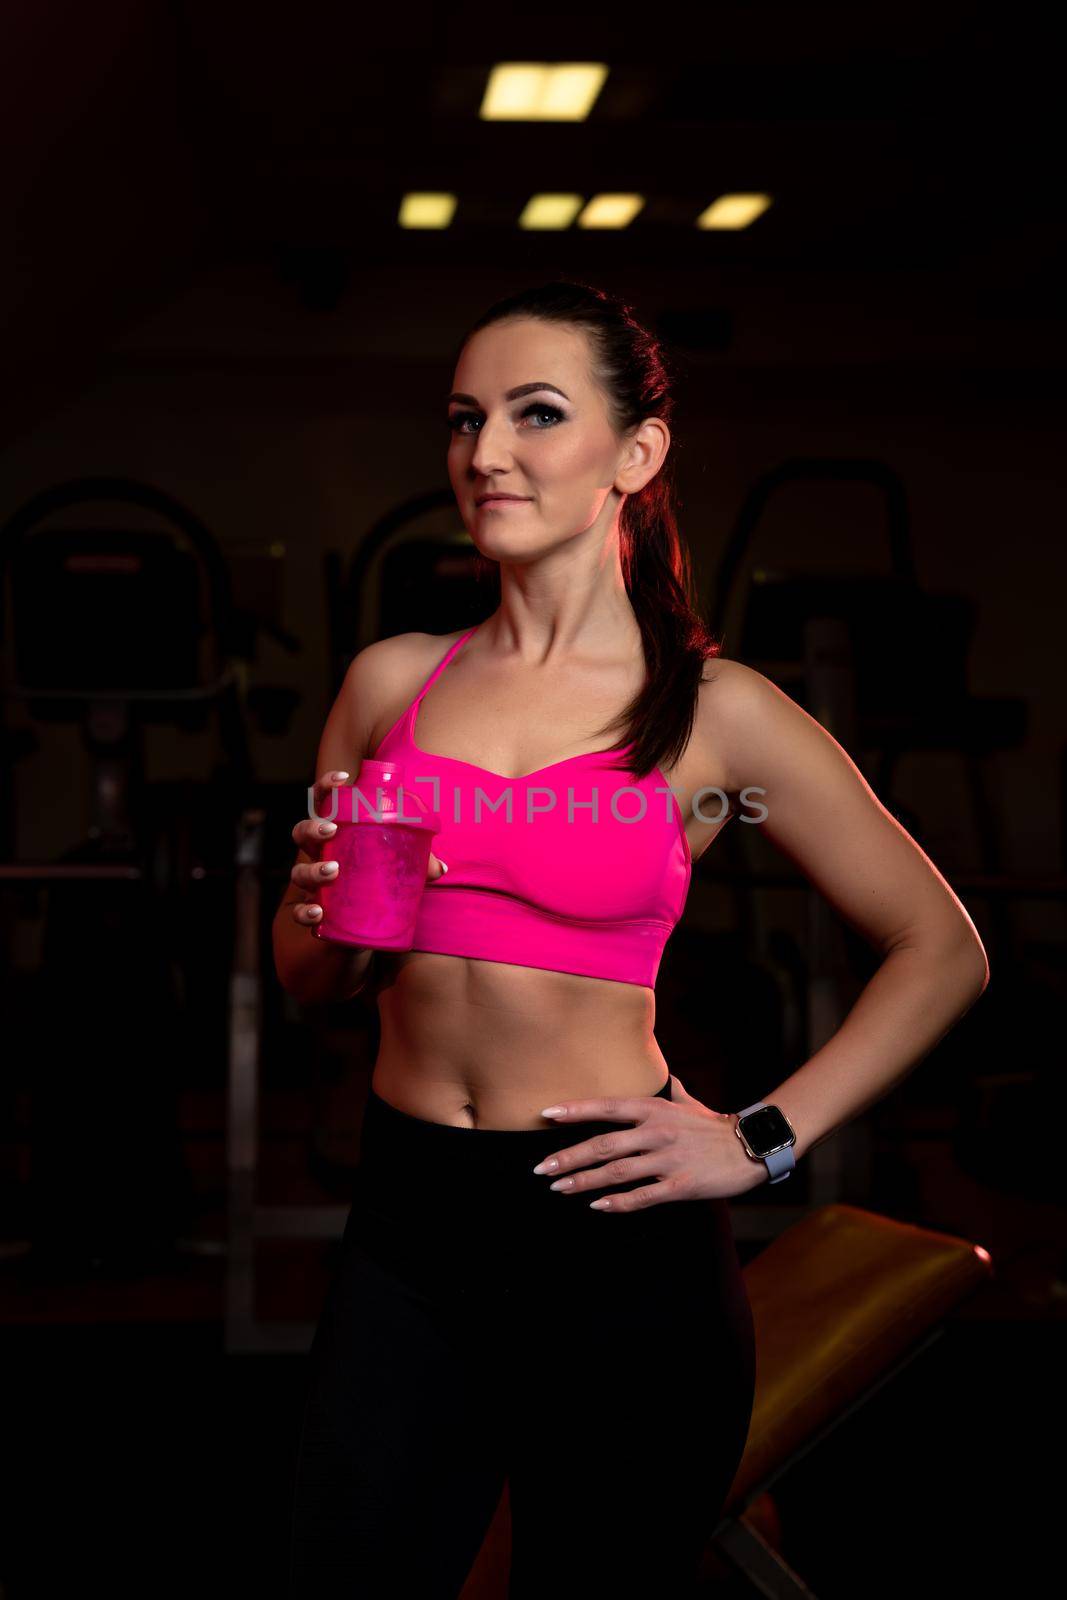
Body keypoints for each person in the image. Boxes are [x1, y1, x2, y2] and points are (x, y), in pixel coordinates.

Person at [275, 281, 989, 1598]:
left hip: (612, 1231)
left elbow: (940, 945)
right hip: (410, 1220)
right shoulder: (390, 682)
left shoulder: (721, 717)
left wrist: (761, 1139)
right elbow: (302, 972)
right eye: (464, 418)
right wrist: (328, 921)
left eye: (536, 415)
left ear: (637, 453)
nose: (485, 453)